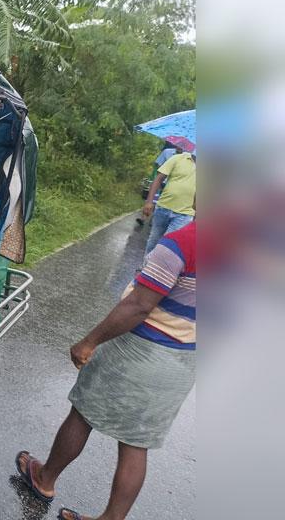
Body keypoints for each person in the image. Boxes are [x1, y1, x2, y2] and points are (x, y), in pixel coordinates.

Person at [15, 221, 196, 520]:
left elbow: (139, 306)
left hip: (141, 351)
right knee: (136, 444)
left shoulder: (183, 243)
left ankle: (44, 479)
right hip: (184, 361)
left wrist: (89, 342)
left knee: (83, 414)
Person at [142, 151, 195, 255]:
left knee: (168, 244)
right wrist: (149, 202)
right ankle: (145, 268)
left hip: (185, 213)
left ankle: (154, 269)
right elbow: (158, 179)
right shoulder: (178, 158)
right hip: (163, 207)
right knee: (154, 240)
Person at [135, 144, 181, 226]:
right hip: (161, 179)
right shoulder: (167, 151)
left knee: (162, 201)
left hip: (173, 183)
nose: (180, 147)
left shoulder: (186, 158)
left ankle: (154, 219)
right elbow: (158, 163)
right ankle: (143, 218)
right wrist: (161, 171)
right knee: (153, 198)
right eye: (179, 145)